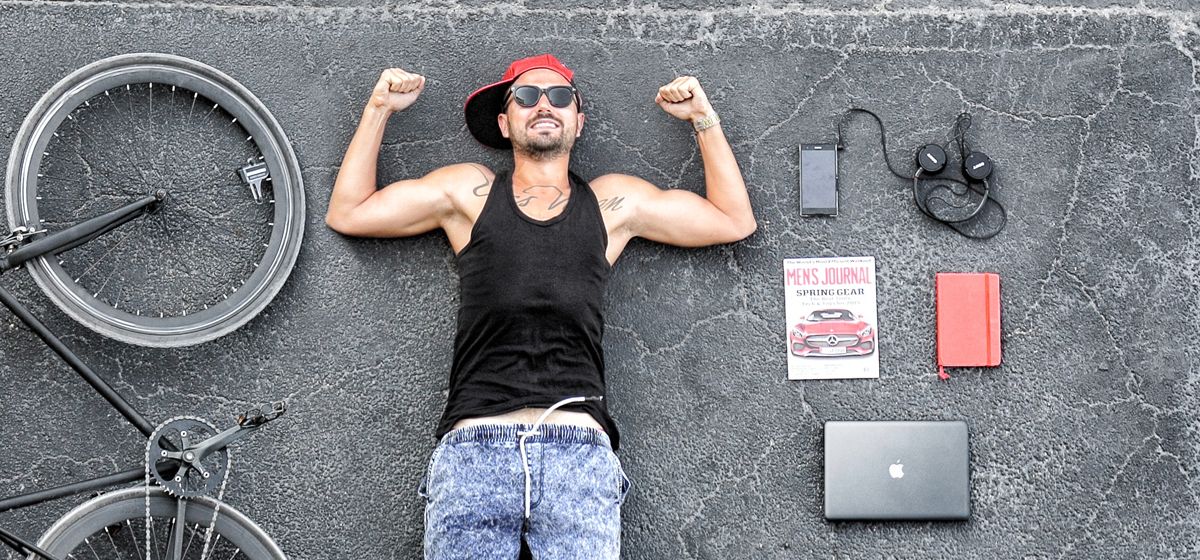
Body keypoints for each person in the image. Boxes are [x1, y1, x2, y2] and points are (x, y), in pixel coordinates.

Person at [325, 54, 756, 559]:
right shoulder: (469, 193)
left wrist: (702, 118)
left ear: (578, 121)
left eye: (559, 96)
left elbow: (733, 220)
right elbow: (349, 212)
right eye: (526, 97)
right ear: (505, 123)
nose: (544, 105)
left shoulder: (613, 205)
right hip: (475, 450)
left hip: (578, 453)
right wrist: (379, 107)